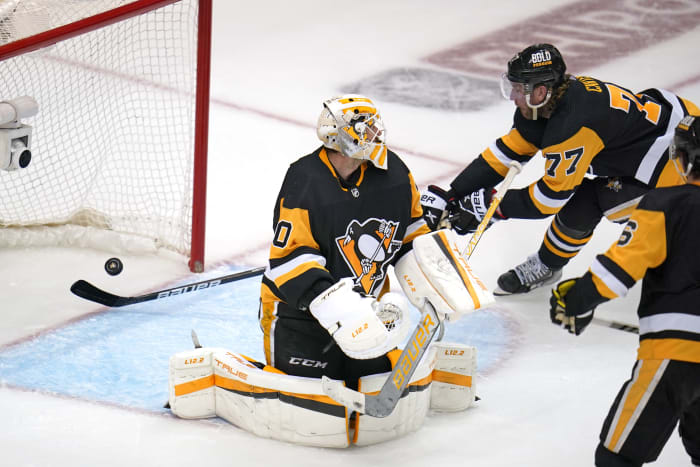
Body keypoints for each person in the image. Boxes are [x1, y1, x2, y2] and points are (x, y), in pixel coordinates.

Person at [421, 43, 700, 295]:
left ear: (541, 91)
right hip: (680, 127)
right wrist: (452, 194)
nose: (512, 97)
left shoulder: (571, 126)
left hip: (675, 171)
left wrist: (495, 206)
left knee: (589, 201)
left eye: (518, 89)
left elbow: (549, 199)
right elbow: (506, 152)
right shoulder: (549, 104)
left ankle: (547, 265)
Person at [549, 116, 700, 466]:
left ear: (684, 158)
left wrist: (576, 299)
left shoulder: (667, 203)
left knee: (617, 458)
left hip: (675, 353)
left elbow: (619, 271)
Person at [258, 94, 432, 389]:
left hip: (368, 314)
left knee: (370, 383)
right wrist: (345, 309)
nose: (377, 133)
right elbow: (291, 259)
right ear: (343, 135)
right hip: (300, 317)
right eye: (368, 127)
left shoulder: (395, 174)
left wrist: (437, 277)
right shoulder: (306, 180)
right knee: (308, 392)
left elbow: (413, 236)